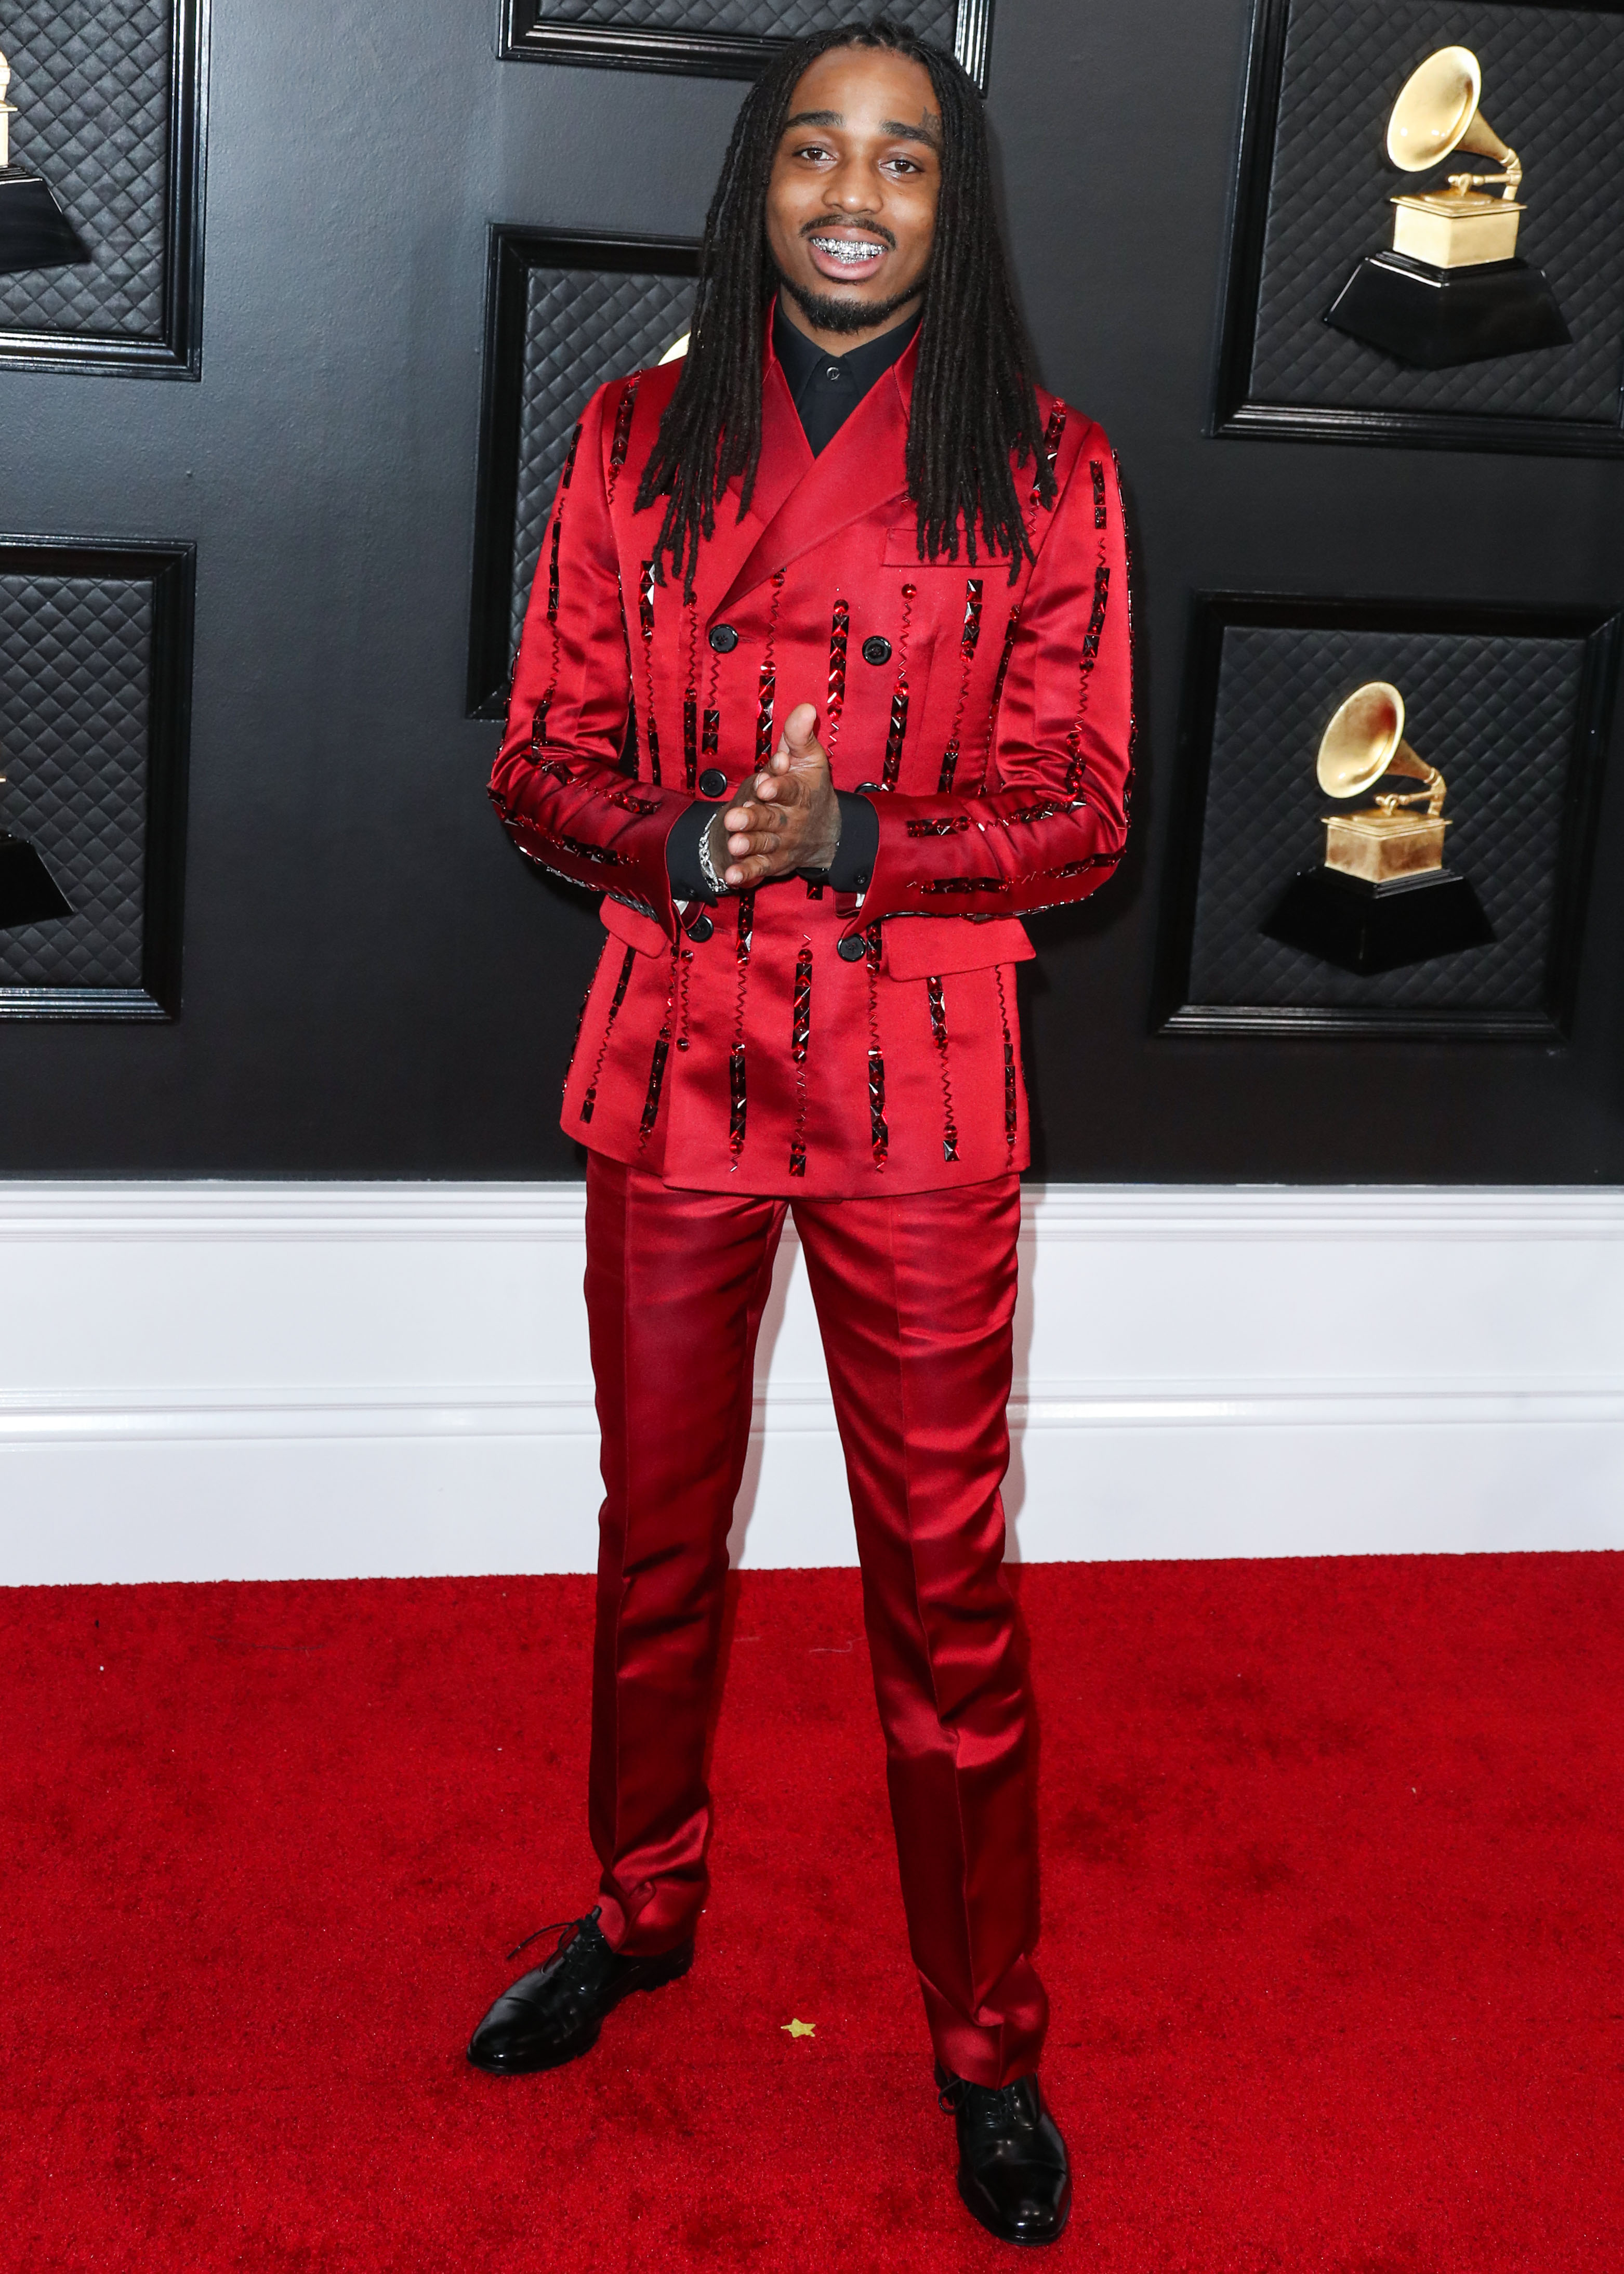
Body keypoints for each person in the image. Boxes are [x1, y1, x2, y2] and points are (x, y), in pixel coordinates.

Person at [473, 18, 1132, 2248]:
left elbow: (1083, 809)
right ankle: (637, 1907)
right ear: (757, 179)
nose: (856, 193)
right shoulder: (627, 434)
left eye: (905, 160)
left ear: (956, 203)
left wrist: (859, 836)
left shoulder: (1049, 468)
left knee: (946, 1588)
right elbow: (536, 757)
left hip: (916, 1075)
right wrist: (675, 837)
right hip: (672, 1043)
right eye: (818, 151)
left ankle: (987, 2044)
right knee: (654, 1533)